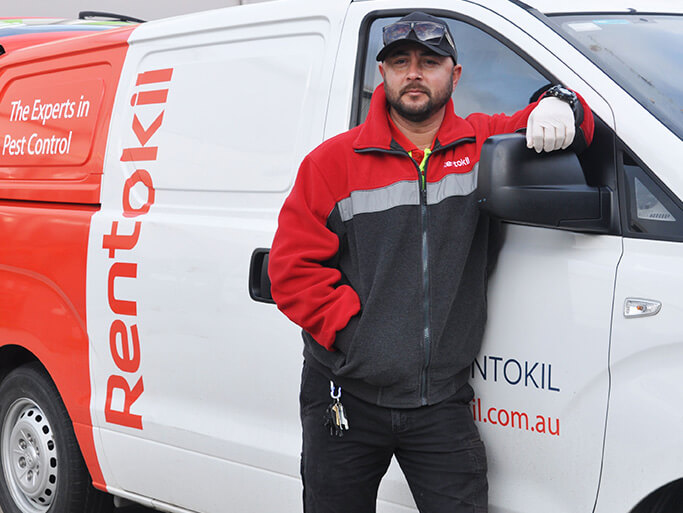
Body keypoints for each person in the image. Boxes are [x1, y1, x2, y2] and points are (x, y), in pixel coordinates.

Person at [269, 11, 594, 513]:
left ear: (454, 75)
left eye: (429, 61)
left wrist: (560, 105)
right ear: (383, 74)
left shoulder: (484, 145)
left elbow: (576, 126)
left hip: (439, 402)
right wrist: (357, 333)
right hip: (345, 396)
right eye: (399, 61)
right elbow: (291, 270)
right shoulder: (331, 163)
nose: (413, 73)